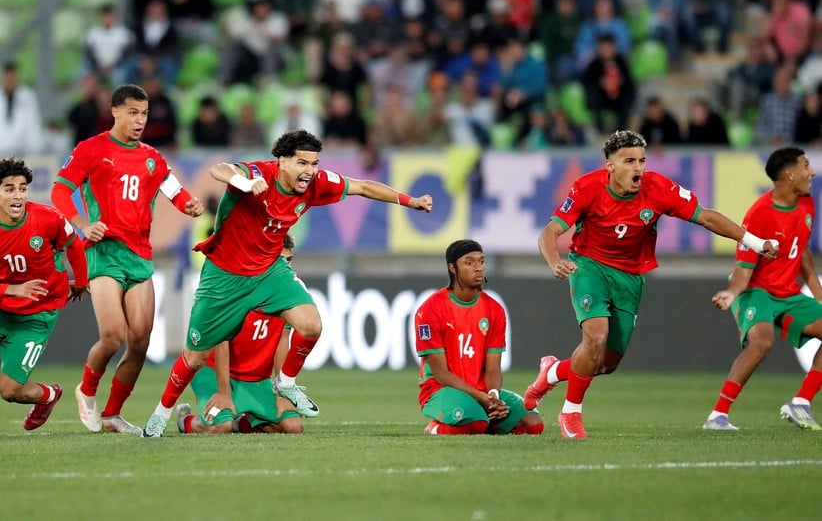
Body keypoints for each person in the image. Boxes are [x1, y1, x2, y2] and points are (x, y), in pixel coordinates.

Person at [141, 129, 433, 437]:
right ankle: (161, 414)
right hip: (224, 276)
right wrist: (244, 182)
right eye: (302, 163)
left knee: (311, 325)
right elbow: (220, 169)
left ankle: (286, 382)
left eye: (314, 163)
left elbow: (362, 186)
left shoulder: (316, 184)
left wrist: (408, 200)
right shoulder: (258, 175)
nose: (310, 171)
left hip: (268, 270)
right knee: (194, 357)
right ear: (282, 161)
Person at [524, 130, 780, 440]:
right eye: (629, 161)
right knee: (596, 336)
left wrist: (754, 241)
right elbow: (549, 233)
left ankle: (550, 373)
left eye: (642, 161)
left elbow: (706, 218)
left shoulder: (659, 188)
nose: (638, 168)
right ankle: (571, 413)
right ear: (610, 165)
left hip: (631, 276)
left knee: (605, 364)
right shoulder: (587, 187)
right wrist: (555, 263)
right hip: (589, 266)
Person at [51, 84, 205, 435]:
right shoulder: (91, 149)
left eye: (145, 114)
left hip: (139, 257)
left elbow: (173, 189)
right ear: (115, 111)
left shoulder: (151, 156)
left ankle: (112, 414)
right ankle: (86, 390)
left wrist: (189, 205)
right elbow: (60, 190)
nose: (139, 121)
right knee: (112, 336)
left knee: (139, 342)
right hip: (104, 253)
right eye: (133, 112)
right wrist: (82, 225)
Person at [0, 157, 89, 436]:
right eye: (9, 189)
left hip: (35, 315)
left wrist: (81, 281)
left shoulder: (48, 217)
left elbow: (74, 245)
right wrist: (13, 289)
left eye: (22, 188)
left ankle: (48, 395)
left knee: (9, 391)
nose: (18, 195)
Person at [703, 147, 822, 431]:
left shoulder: (806, 203)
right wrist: (732, 293)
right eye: (806, 166)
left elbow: (802, 250)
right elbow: (744, 267)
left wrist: (817, 295)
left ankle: (801, 402)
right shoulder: (760, 214)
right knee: (763, 342)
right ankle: (718, 415)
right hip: (755, 291)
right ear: (790, 174)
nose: (812, 171)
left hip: (789, 294)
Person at [176, 235, 305, 435]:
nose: (285, 267)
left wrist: (282, 394)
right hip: (214, 373)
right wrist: (224, 392)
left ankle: (242, 422)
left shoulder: (290, 288)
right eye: (279, 260)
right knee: (220, 426)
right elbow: (221, 339)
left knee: (292, 426)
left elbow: (282, 340)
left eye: (289, 260)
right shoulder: (238, 281)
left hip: (255, 380)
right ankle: (186, 420)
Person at [414, 239, 544, 436]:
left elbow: (493, 367)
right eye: (469, 262)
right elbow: (440, 373)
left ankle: (481, 418)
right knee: (476, 424)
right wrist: (481, 398)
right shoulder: (430, 310)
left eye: (481, 261)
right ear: (453, 268)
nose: (479, 268)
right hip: (440, 390)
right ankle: (434, 428)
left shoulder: (494, 309)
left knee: (533, 424)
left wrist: (492, 395)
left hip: (482, 391)